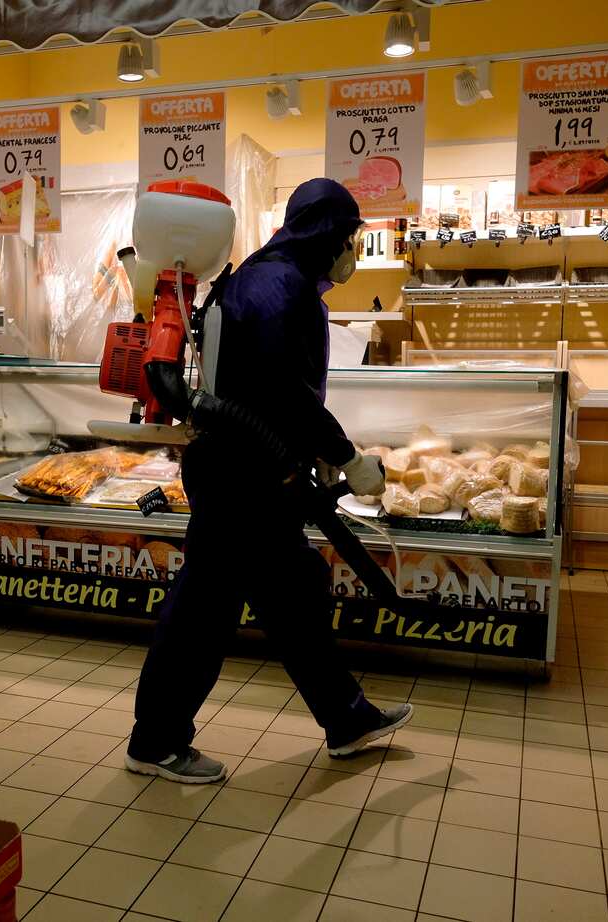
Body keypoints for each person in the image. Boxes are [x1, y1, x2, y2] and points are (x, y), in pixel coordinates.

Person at [124, 177, 413, 784]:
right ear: (326, 234)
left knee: (294, 596)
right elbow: (282, 390)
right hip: (242, 479)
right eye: (349, 237)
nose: (351, 251)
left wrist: (316, 453)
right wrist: (346, 455)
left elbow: (269, 389)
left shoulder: (265, 275)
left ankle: (347, 718)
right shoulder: (282, 286)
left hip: (249, 471)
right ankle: (154, 742)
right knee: (204, 612)